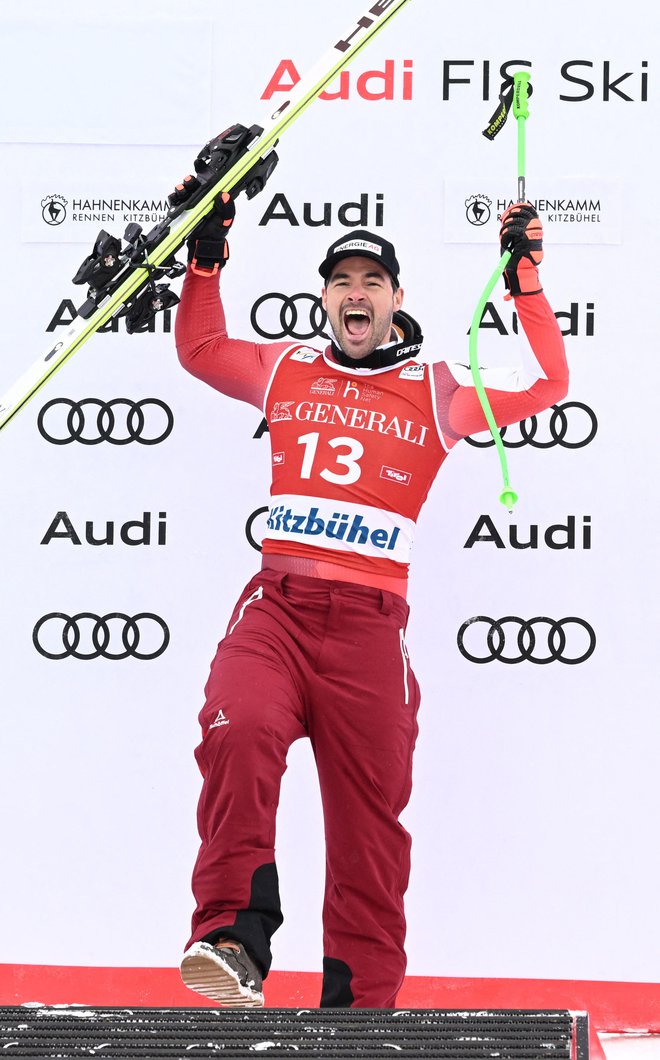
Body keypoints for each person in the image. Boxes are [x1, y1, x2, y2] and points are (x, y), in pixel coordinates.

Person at [174, 191, 568, 1009]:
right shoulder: (286, 368)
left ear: (395, 300)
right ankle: (231, 942)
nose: (356, 293)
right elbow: (203, 346)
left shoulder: (439, 389)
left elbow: (547, 380)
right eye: (341, 281)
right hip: (277, 611)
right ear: (326, 298)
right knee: (238, 727)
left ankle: (359, 1016)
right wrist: (205, 259)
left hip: (369, 634)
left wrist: (523, 280)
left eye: (372, 281)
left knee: (370, 831)